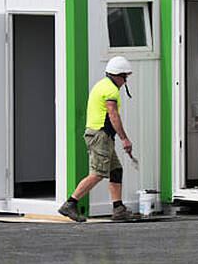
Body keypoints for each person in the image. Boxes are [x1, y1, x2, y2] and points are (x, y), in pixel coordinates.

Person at [58, 56, 139, 222]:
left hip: (103, 136)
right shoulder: (111, 90)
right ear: (118, 75)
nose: (125, 81)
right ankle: (70, 203)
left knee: (115, 170)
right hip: (99, 135)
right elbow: (113, 114)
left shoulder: (103, 85)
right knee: (98, 173)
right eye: (125, 77)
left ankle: (119, 209)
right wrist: (124, 139)